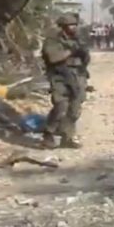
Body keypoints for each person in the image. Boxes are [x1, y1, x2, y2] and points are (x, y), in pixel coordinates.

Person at [41, 15, 91, 149]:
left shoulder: (78, 39)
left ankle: (67, 136)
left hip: (77, 75)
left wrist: (83, 53)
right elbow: (53, 58)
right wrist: (71, 51)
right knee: (61, 105)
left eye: (75, 24)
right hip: (59, 74)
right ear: (63, 26)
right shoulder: (53, 39)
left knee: (75, 108)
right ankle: (48, 133)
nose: (74, 27)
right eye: (70, 25)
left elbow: (86, 59)